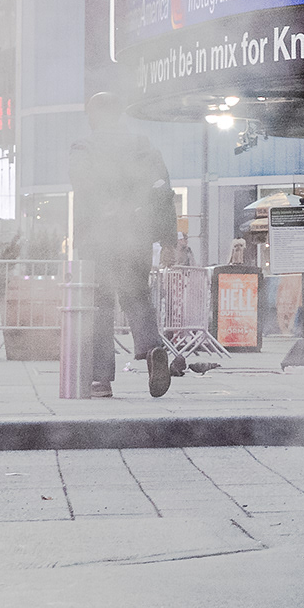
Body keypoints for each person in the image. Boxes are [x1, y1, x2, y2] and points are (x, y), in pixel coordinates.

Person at [67, 91, 179, 397]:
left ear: (95, 114)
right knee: (138, 297)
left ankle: (100, 380)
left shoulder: (85, 146)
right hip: (137, 236)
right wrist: (169, 240)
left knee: (100, 306)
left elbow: (81, 179)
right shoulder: (143, 146)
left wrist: (104, 205)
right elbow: (162, 191)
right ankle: (152, 348)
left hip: (98, 240)